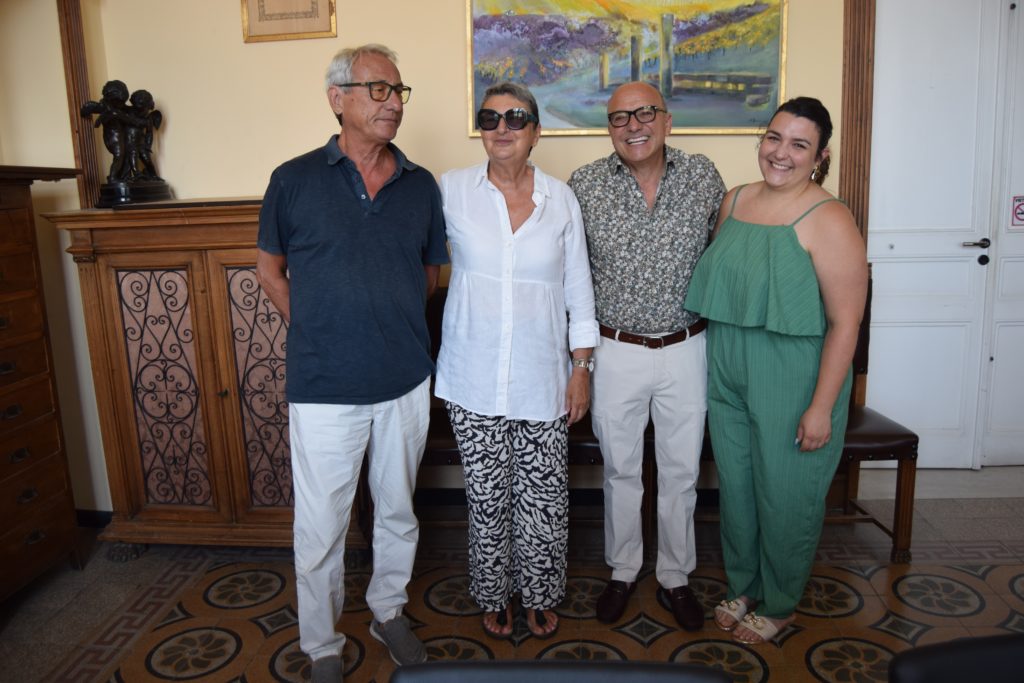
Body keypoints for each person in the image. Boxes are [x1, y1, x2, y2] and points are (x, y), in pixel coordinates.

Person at [256, 44, 448, 682]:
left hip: (404, 381)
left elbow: (429, 274)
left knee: (397, 510)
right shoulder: (293, 179)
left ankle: (388, 610)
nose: (393, 103)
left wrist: (389, 326)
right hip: (324, 385)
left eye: (398, 91)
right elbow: (270, 270)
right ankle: (322, 646)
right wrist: (319, 328)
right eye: (378, 89)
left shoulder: (420, 185)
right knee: (321, 527)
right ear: (337, 98)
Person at [685, 96, 868, 644]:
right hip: (728, 369)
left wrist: (821, 407)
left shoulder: (830, 217)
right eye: (774, 137)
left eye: (799, 144)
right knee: (738, 489)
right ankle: (744, 586)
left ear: (820, 156)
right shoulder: (735, 200)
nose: (781, 153)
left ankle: (781, 601)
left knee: (785, 495)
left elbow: (845, 323)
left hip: (793, 376)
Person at [435, 82, 598, 641]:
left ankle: (540, 593)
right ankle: (493, 593)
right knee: (486, 499)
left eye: (515, 117)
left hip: (542, 378)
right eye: (490, 118)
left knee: (543, 497)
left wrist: (581, 370)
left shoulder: (561, 199)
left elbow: (579, 290)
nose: (501, 128)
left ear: (535, 131)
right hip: (472, 376)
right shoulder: (451, 190)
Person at [568, 82, 725, 631]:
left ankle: (676, 576)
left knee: (682, 471)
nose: (633, 126)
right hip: (616, 350)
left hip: (687, 347)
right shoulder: (585, 184)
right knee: (621, 471)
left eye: (644, 113)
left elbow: (724, 252)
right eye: (619, 118)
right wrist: (578, 362)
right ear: (608, 128)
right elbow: (571, 274)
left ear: (667, 119)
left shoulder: (702, 176)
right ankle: (623, 569)